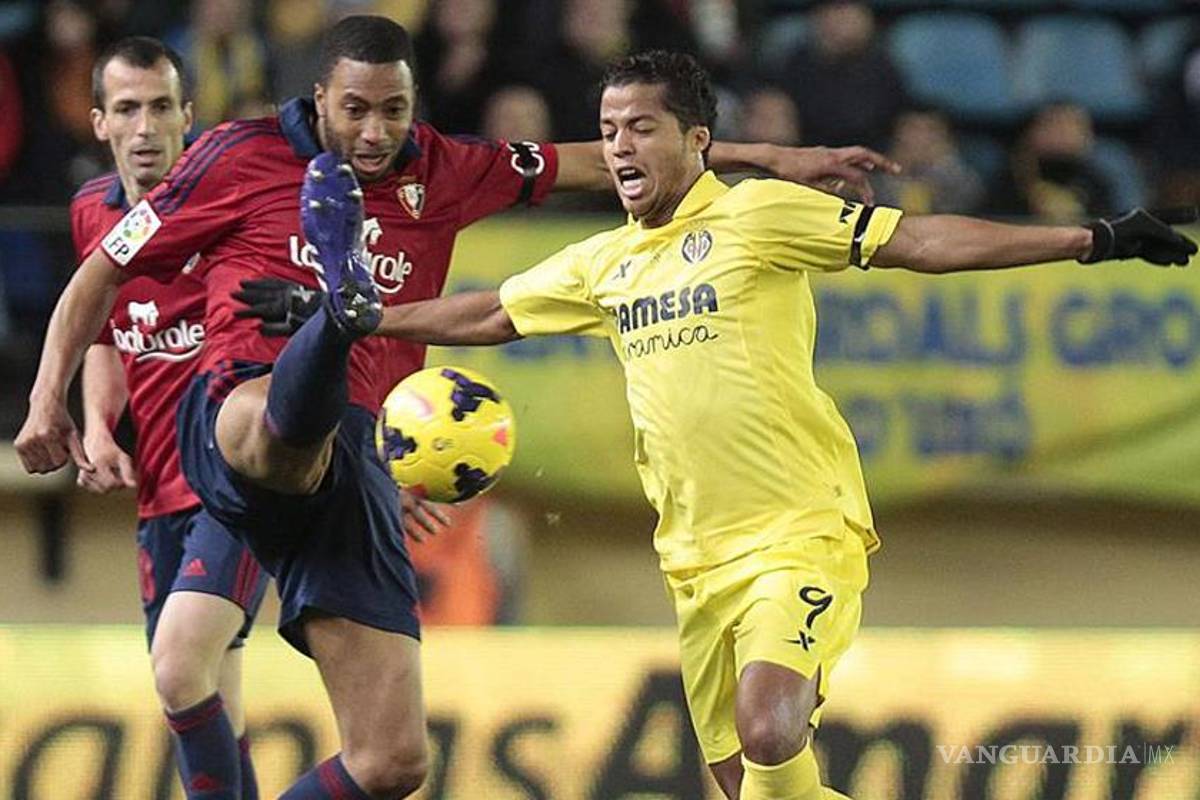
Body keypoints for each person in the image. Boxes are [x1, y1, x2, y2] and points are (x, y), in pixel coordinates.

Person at [16, 15, 899, 797]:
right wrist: (48, 400)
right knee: (250, 494)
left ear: (415, 103)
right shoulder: (233, 155)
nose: (375, 132)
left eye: (394, 111)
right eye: (355, 111)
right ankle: (337, 313)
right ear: (318, 99)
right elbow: (102, 270)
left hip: (358, 455)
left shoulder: (445, 167)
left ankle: (341, 314)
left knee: (392, 762)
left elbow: (605, 159)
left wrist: (767, 158)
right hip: (243, 410)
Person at [332, 51, 1196, 799]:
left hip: (797, 530)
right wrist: (357, 318)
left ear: (697, 140)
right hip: (695, 558)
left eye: (642, 128)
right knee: (744, 780)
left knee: (770, 727)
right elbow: (489, 314)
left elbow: (921, 244)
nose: (621, 147)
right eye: (609, 131)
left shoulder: (759, 215)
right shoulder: (604, 263)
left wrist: (1093, 239)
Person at [71, 36, 269, 800]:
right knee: (212, 692)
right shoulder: (92, 212)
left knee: (180, 669)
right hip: (159, 492)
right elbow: (103, 333)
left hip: (234, 485)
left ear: (190, 115)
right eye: (127, 109)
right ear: (99, 122)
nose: (146, 127)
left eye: (161, 107)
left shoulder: (230, 208)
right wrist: (98, 427)